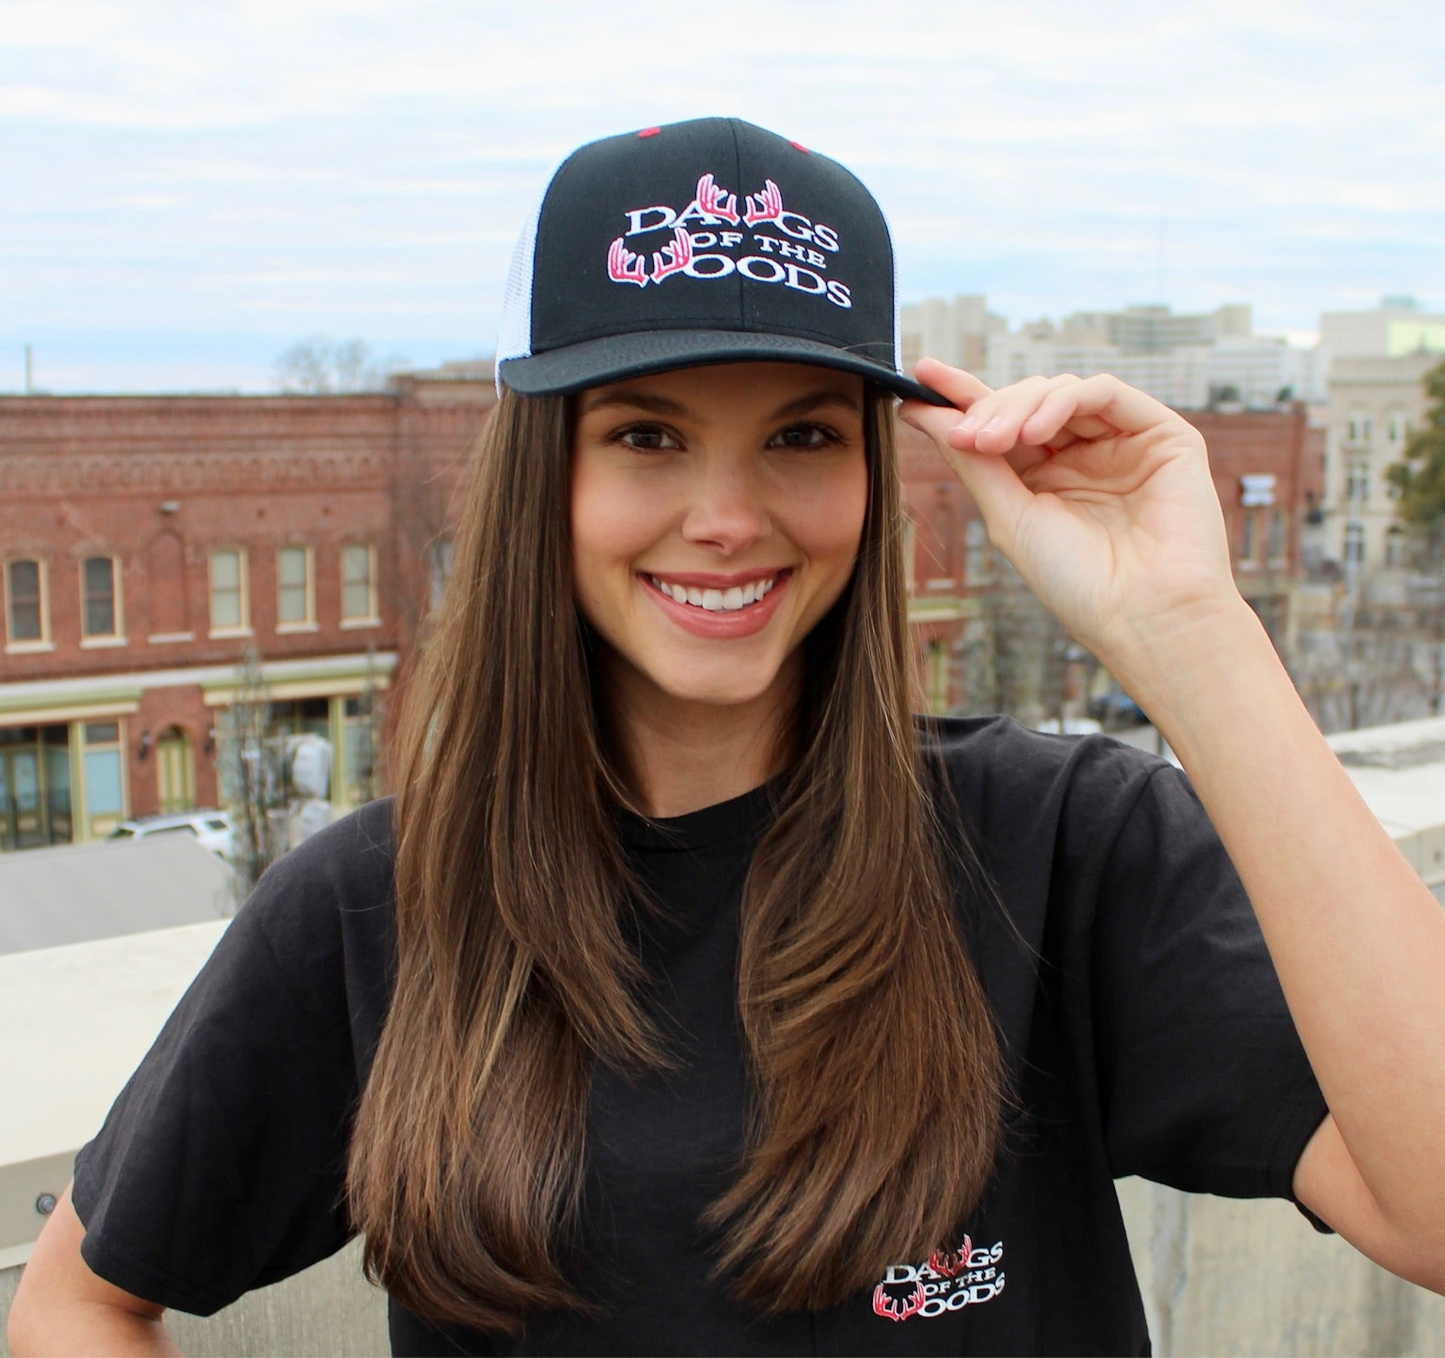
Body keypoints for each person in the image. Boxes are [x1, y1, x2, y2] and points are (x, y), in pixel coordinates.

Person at [10, 117, 1445, 1358]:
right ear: (547, 470)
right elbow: (76, 1298)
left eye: (804, 436)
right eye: (647, 435)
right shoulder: (379, 912)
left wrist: (1190, 630)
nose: (728, 513)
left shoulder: (1056, 846)